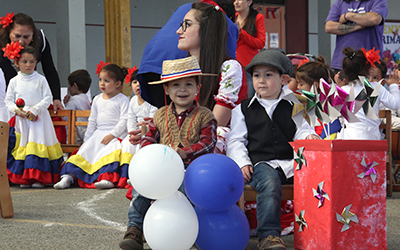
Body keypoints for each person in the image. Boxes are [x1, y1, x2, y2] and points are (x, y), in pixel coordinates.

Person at [119, 56, 217, 250]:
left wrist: (185, 153)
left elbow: (208, 143)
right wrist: (149, 154)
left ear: (198, 88)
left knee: (183, 191)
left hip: (193, 170)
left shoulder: (206, 115)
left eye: (189, 84)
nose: (182, 89)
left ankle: (186, 231)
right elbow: (150, 137)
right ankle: (135, 229)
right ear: (167, 89)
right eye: (176, 85)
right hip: (162, 170)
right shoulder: (160, 114)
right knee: (141, 189)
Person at [227, 49, 319, 250]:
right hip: (261, 165)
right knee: (269, 183)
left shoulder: (294, 105)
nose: (261, 81)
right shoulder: (242, 110)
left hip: (291, 162)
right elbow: (235, 141)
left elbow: (301, 131)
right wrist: (242, 162)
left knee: (318, 179)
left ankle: (318, 230)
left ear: (284, 79)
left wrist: (309, 137)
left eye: (268, 75)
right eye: (257, 76)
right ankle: (268, 235)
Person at [137, 0, 238, 108]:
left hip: (154, 68)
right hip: (166, 71)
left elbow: (213, 123)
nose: (178, 31)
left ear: (207, 29)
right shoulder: (204, 13)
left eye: (187, 25)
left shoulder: (230, 68)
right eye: (182, 25)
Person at [54, 64, 129, 189]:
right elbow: (92, 120)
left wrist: (112, 135)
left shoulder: (122, 99)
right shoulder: (97, 99)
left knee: (110, 154)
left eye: (106, 81)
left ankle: (106, 178)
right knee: (83, 153)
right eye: (100, 80)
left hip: (114, 136)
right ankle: (68, 177)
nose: (102, 84)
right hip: (97, 134)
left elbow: (124, 120)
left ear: (117, 84)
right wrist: (87, 139)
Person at [5, 46, 63, 188]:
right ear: (17, 63)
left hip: (39, 121)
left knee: (38, 145)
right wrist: (16, 111)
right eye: (24, 61)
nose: (28, 65)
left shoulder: (41, 79)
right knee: (24, 146)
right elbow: (8, 101)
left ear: (36, 62)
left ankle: (39, 178)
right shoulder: (14, 81)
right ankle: (25, 178)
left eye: (32, 61)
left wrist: (35, 110)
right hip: (22, 121)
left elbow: (48, 98)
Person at [0, 12, 63, 111]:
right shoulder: (1, 42)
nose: (21, 41)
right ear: (9, 32)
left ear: (33, 35)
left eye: (26, 37)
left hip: (30, 95)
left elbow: (50, 71)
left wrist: (56, 98)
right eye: (17, 36)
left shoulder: (40, 41)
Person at [337, 47, 400, 139]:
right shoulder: (375, 87)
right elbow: (395, 104)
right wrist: (393, 86)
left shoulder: (342, 90)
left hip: (348, 140)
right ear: (368, 69)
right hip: (371, 140)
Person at [119, 67, 157, 188]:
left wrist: (142, 133)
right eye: (135, 82)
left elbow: (152, 119)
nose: (137, 85)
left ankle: (138, 175)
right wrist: (132, 133)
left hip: (148, 131)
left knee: (141, 147)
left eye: (141, 83)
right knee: (127, 144)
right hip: (136, 131)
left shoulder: (152, 100)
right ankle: (126, 175)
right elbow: (130, 118)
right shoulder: (133, 100)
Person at [325, 0, 388, 72]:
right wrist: (358, 26)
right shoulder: (340, 3)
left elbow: (374, 19)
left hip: (370, 64)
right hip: (343, 63)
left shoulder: (378, 1)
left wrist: (347, 16)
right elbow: (329, 27)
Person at [295, 56, 342, 139]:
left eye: (301, 84)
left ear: (315, 85)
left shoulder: (331, 101)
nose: (298, 87)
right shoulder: (300, 102)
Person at [234, 0, 266, 97]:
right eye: (235, 0)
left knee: (249, 95)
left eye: (240, 0)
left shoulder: (258, 17)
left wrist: (241, 33)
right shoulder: (232, 16)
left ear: (249, 2)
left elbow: (260, 43)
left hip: (248, 63)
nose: (236, 2)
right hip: (232, 61)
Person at [63, 69, 92, 145]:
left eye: (70, 85)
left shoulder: (74, 99)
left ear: (75, 86)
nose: (69, 88)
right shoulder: (86, 99)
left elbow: (65, 116)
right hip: (84, 132)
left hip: (75, 135)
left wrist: (64, 106)